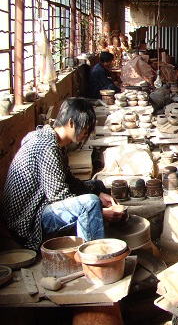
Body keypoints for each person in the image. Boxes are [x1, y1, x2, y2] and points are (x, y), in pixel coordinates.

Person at [0, 98, 123, 250]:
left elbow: (68, 181)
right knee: (90, 204)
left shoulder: (55, 141)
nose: (86, 134)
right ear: (71, 123)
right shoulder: (47, 146)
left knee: (96, 186)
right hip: (27, 220)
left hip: (40, 204)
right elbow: (59, 195)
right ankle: (95, 258)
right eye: (85, 128)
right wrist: (99, 211)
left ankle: (101, 231)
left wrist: (98, 193)